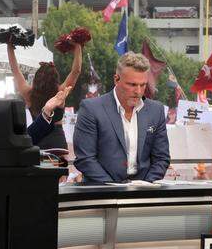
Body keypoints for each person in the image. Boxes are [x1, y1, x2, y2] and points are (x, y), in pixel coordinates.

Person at [73, 53, 170, 184]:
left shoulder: (156, 110)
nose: (138, 91)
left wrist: (146, 186)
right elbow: (85, 159)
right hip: (102, 192)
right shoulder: (91, 109)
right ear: (116, 79)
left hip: (143, 192)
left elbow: (161, 158)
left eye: (143, 85)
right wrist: (115, 189)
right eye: (132, 84)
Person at [8, 40, 82, 151]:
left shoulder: (28, 93)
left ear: (36, 78)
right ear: (55, 78)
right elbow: (76, 71)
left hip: (37, 140)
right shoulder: (60, 93)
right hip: (57, 143)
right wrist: (78, 47)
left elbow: (15, 70)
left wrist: (10, 47)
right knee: (59, 168)